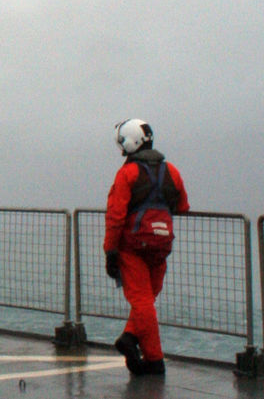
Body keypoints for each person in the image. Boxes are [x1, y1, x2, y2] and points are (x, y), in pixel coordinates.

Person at [104, 119, 190, 375]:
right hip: (161, 246)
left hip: (133, 246)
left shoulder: (127, 173)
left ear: (130, 143)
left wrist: (110, 251)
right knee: (148, 300)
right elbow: (183, 205)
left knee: (142, 302)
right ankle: (131, 340)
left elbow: (115, 215)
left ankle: (154, 360)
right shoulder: (171, 171)